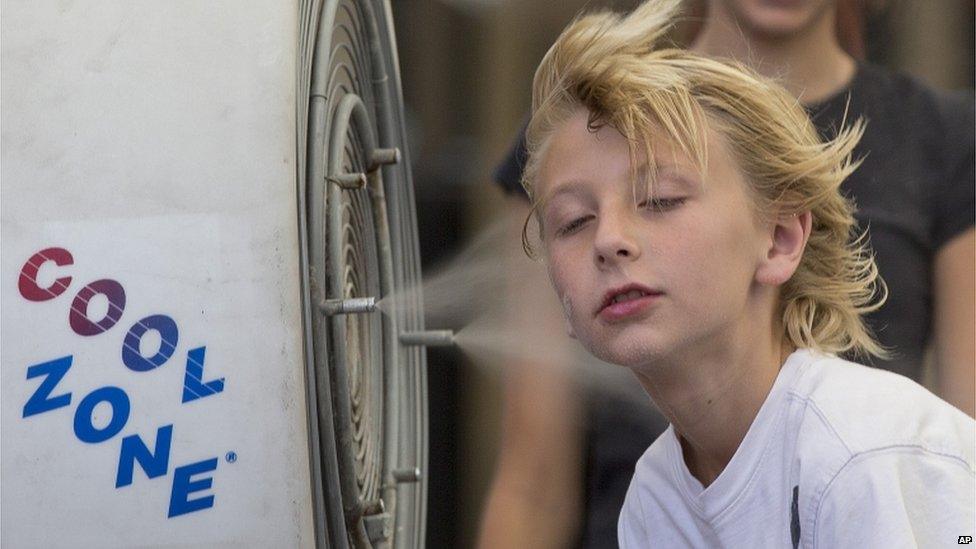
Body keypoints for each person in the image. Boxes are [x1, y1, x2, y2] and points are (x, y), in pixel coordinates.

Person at [479, 0, 974, 546]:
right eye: (573, 222)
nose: (609, 240)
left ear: (782, 237)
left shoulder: (863, 459)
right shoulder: (655, 494)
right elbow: (531, 481)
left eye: (661, 200)